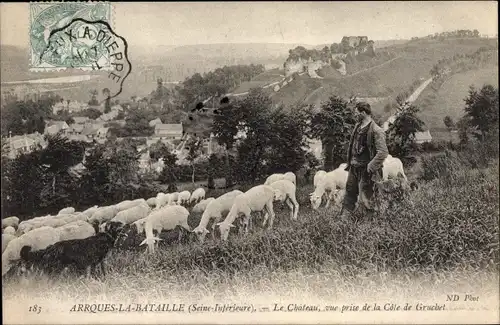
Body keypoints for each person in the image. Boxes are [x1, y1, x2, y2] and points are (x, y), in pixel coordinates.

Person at [339, 102, 388, 219]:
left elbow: (383, 152)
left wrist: (370, 167)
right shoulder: (357, 127)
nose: (355, 115)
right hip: (354, 167)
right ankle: (344, 219)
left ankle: (370, 223)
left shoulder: (376, 130)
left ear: (363, 113)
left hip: (366, 170)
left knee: (367, 196)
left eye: (357, 113)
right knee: (349, 193)